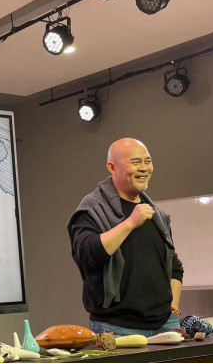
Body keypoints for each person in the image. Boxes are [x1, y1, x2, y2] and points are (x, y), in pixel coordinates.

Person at [67, 138, 184, 337]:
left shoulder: (157, 215)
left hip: (166, 325)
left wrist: (173, 309)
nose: (144, 168)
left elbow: (174, 267)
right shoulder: (92, 209)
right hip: (117, 329)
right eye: (135, 162)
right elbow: (88, 254)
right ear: (112, 167)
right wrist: (130, 223)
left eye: (148, 161)